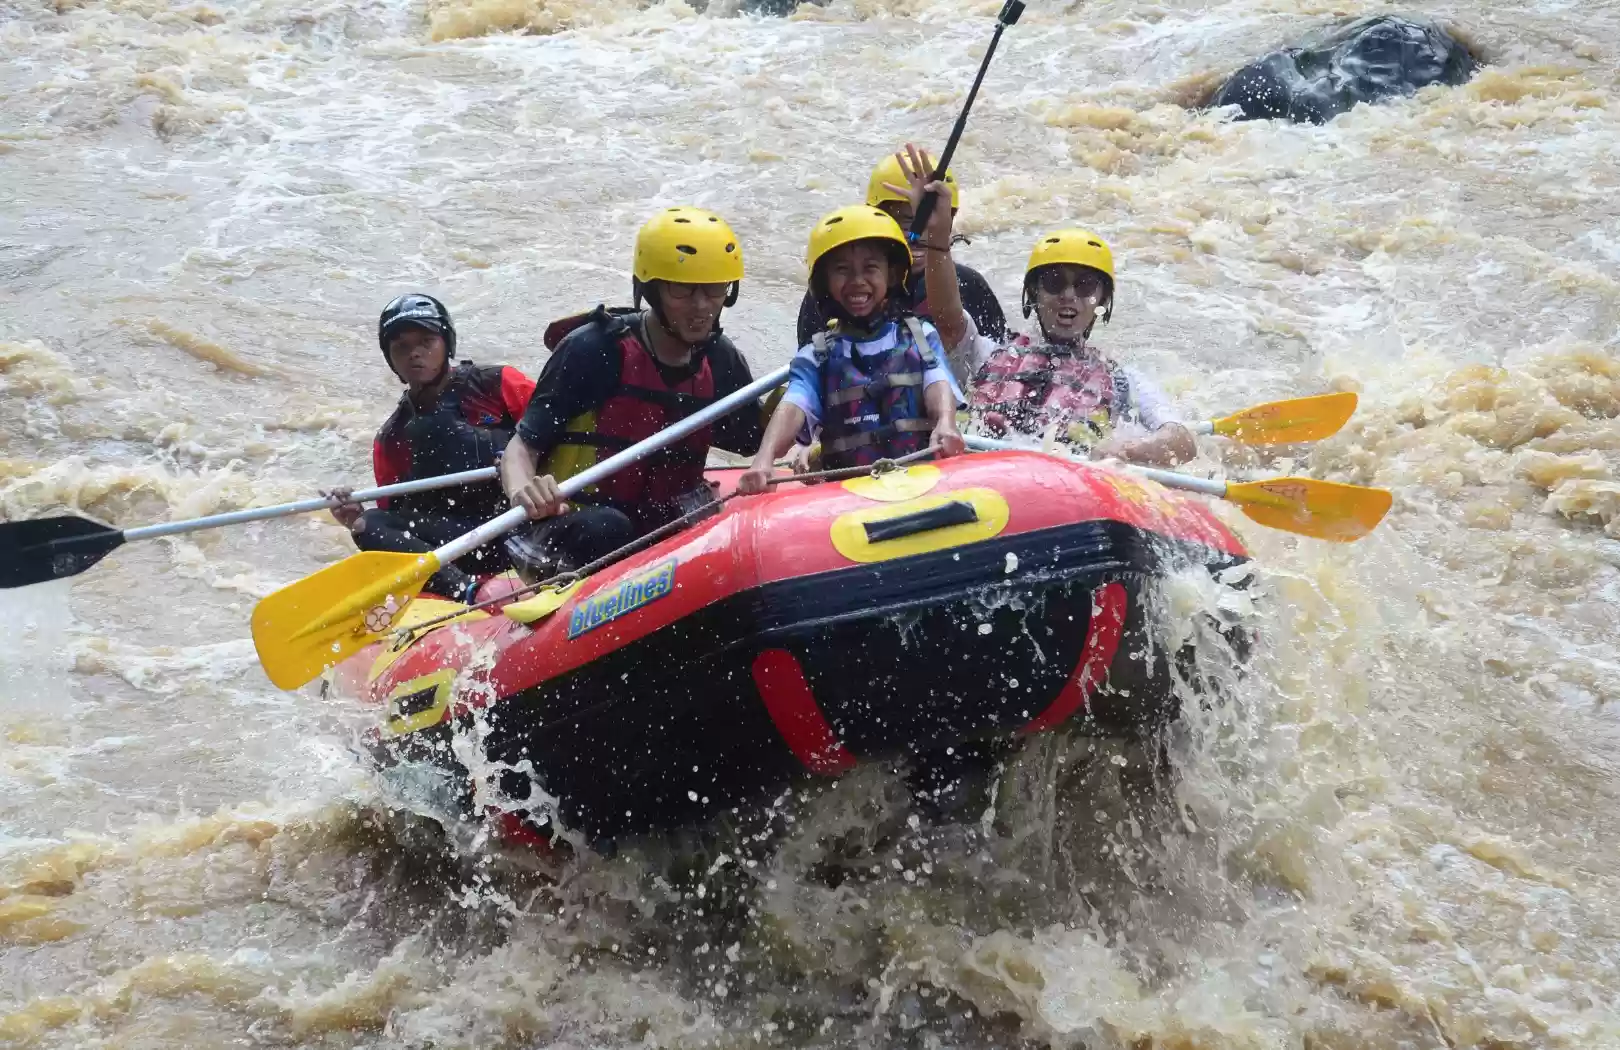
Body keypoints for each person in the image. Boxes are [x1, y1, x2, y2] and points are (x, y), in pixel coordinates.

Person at [500, 207, 767, 577]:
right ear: (651, 289)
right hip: (573, 525)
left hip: (658, 522)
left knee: (712, 524)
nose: (702, 305)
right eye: (683, 289)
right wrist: (523, 492)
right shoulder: (594, 350)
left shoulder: (720, 361)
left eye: (714, 288)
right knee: (610, 527)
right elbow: (520, 448)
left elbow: (755, 441)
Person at [738, 202, 965, 495]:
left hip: (924, 485)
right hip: (848, 499)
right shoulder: (817, 356)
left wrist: (946, 422)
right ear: (825, 282)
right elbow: (795, 405)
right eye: (842, 270)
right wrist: (764, 458)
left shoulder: (920, 336)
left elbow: (937, 381)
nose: (857, 281)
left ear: (892, 275)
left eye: (870, 268)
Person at [330, 294, 536, 601]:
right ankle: (467, 593)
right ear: (390, 358)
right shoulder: (391, 438)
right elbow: (396, 519)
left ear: (447, 344)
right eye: (401, 347)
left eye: (427, 341)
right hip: (461, 547)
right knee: (367, 524)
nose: (415, 353)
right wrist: (352, 516)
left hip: (522, 525)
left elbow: (556, 432)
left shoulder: (497, 384)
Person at [968, 229, 1196, 465]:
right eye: (1054, 282)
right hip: (982, 468)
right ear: (1035, 293)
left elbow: (1181, 441)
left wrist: (1129, 450)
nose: (1068, 295)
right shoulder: (985, 352)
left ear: (1102, 301)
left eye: (1085, 286)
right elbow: (949, 321)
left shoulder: (1122, 380)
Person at [795, 149, 1008, 384]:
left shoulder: (968, 285)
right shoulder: (835, 291)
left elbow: (996, 366)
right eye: (902, 221)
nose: (915, 233)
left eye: (925, 218)